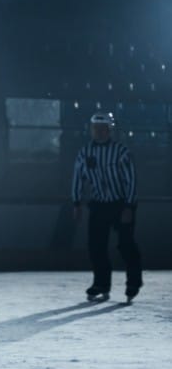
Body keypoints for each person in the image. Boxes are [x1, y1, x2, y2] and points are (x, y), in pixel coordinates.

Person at [71, 111, 142, 302]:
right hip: (99, 204)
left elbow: (131, 181)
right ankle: (101, 283)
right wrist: (76, 203)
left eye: (103, 128)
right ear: (91, 130)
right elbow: (78, 177)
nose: (99, 132)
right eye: (96, 128)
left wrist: (129, 206)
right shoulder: (85, 153)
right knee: (96, 246)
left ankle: (133, 283)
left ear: (109, 130)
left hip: (120, 203)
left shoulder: (121, 152)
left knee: (126, 245)